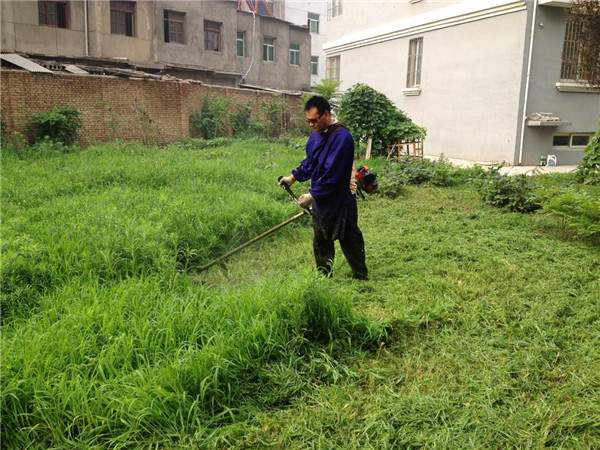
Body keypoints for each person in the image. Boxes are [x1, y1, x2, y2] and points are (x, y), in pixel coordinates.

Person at [279, 96, 369, 280]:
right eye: (308, 121)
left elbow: (333, 172)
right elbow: (311, 162)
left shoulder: (343, 137)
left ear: (326, 114)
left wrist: (312, 195)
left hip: (341, 197)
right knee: (321, 238)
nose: (311, 125)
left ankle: (361, 274)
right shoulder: (316, 135)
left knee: (349, 237)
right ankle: (323, 277)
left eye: (314, 120)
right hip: (322, 197)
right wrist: (292, 178)